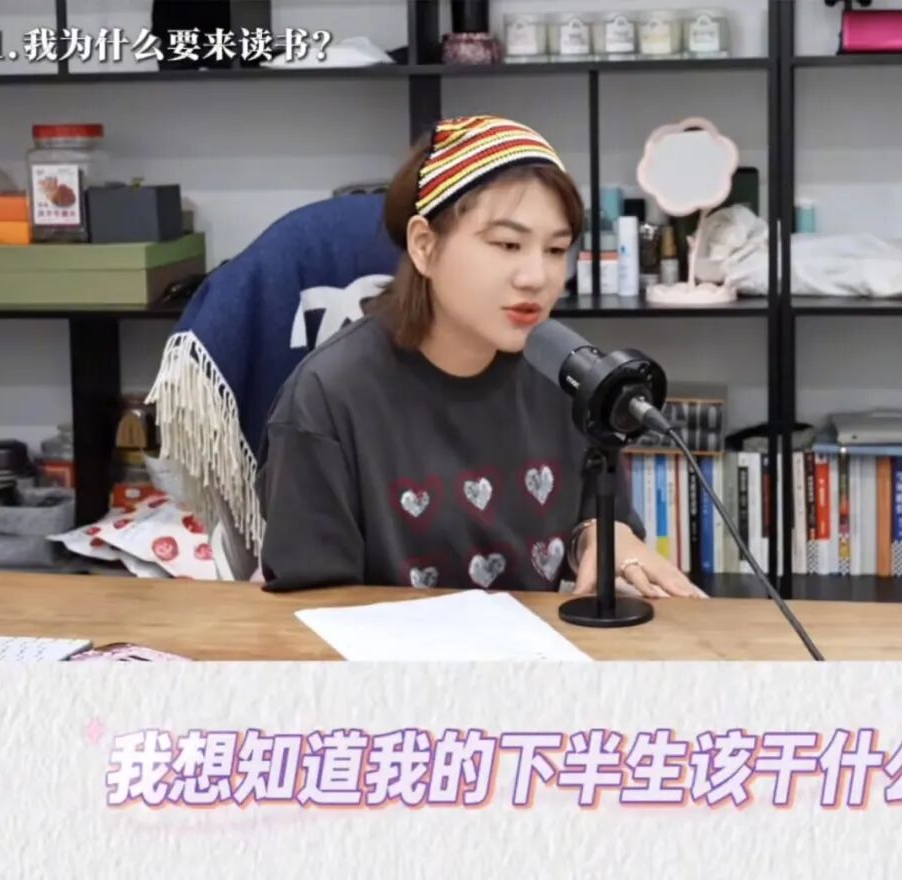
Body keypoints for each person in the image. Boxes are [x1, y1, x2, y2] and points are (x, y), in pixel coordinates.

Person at [256, 113, 703, 599]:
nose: (536, 277)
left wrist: (603, 536)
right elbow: (310, 607)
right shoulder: (328, 396)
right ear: (425, 246)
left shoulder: (569, 376)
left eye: (556, 250)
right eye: (507, 244)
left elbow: (595, 525)